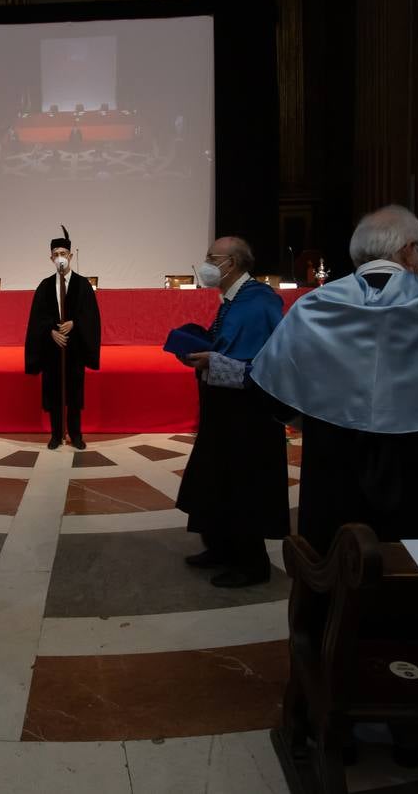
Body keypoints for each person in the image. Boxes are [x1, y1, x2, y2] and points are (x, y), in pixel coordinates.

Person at [247, 205, 418, 765]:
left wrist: (325, 411)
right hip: (415, 487)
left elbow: (271, 394)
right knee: (415, 591)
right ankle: (411, 723)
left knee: (332, 587)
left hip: (333, 485)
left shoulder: (317, 305)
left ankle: (329, 721)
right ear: (409, 251)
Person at [175, 236, 286, 588]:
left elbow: (263, 364)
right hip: (225, 411)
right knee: (216, 480)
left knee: (243, 485)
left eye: (212, 257)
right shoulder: (235, 298)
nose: (206, 263)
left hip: (247, 416)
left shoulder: (258, 302)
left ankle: (251, 563)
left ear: (232, 263)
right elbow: (225, 342)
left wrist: (213, 360)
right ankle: (221, 547)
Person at [24, 226, 101, 450]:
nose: (60, 258)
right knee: (54, 392)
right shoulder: (45, 286)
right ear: (51, 258)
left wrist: (75, 323)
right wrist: (51, 331)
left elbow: (91, 315)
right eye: (56, 255)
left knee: (74, 393)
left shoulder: (83, 285)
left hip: (75, 349)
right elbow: (37, 317)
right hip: (52, 350)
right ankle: (56, 434)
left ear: (71, 256)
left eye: (63, 254)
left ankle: (76, 434)